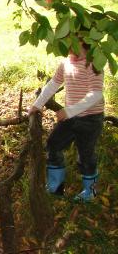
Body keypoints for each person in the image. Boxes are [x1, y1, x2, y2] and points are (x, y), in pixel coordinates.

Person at [28, 40, 104, 202]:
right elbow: (54, 83)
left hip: (91, 119)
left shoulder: (93, 63)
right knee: (53, 145)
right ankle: (56, 187)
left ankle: (90, 192)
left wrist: (69, 111)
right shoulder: (66, 62)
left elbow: (96, 94)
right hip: (71, 117)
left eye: (68, 40)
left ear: (82, 40)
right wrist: (38, 104)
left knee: (85, 154)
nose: (63, 44)